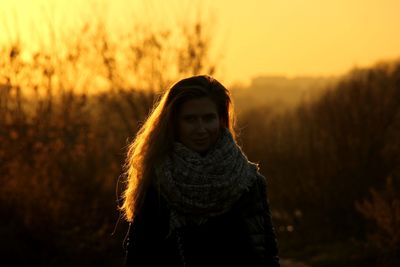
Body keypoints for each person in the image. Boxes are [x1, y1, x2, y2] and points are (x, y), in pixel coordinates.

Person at [120, 75, 281, 267]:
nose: (201, 129)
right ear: (174, 123)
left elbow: (267, 254)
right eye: (190, 119)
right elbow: (139, 257)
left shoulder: (248, 180)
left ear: (221, 120)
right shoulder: (157, 181)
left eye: (208, 118)